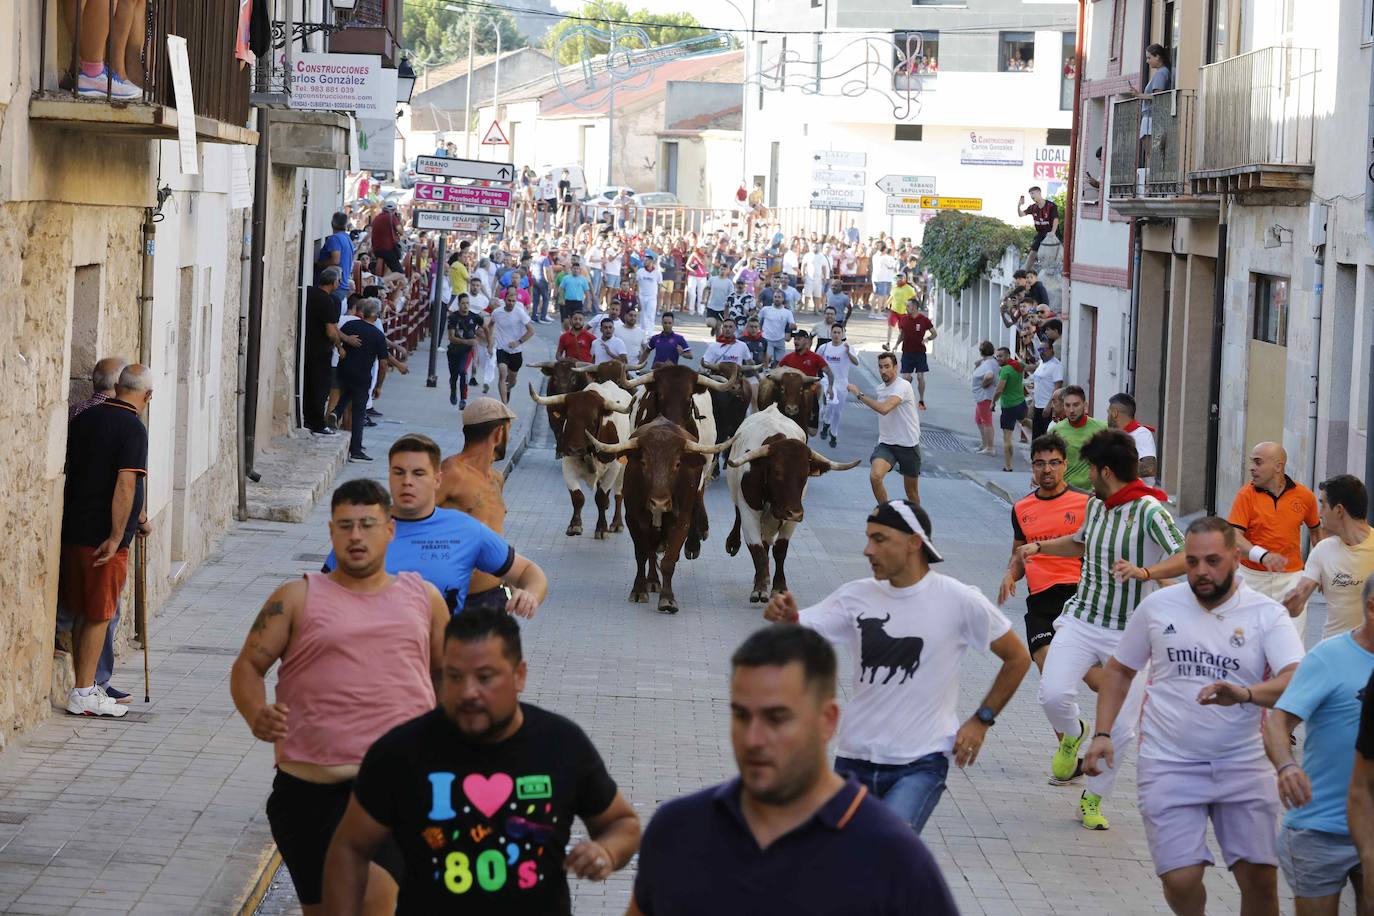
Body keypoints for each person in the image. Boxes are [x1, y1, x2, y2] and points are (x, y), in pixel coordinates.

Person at [322, 608, 641, 915]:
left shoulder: (562, 745)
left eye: (485, 677)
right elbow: (350, 846)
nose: (468, 692)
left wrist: (606, 852)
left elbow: (622, 823)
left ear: (519, 676)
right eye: (454, 677)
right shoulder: (400, 752)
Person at [230, 479, 450, 916]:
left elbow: (448, 675)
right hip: (309, 795)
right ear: (331, 531)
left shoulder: (424, 598)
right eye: (345, 525)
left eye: (367, 524)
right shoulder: (296, 598)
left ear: (389, 530)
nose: (355, 536)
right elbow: (247, 668)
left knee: (375, 901)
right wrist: (256, 712)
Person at [629, 625, 960, 914]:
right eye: (742, 716)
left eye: (777, 719)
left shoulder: (893, 857)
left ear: (827, 721)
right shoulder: (677, 830)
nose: (753, 739)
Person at [763, 501, 1031, 833]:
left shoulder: (960, 599)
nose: (867, 550)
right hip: (854, 759)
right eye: (868, 538)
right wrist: (785, 616)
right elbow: (798, 627)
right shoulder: (855, 597)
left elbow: (1018, 658)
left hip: (921, 763)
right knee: (850, 863)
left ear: (913, 542)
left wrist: (981, 720)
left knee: (886, 846)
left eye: (879, 539)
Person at [1082, 517, 1303, 916]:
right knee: (1180, 879)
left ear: (1236, 558)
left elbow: (1296, 677)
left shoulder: (1265, 614)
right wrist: (1102, 733)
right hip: (1169, 762)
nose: (1202, 571)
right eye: (1192, 562)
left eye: (1213, 561)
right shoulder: (1157, 606)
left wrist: (1247, 694)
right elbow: (1118, 670)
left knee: (1259, 877)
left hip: (1244, 764)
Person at [1020, 429, 1185, 830]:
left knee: (1123, 728)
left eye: (1091, 468)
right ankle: (1075, 731)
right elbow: (1079, 545)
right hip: (1080, 619)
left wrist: (1146, 572)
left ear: (1105, 470)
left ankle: (1092, 797)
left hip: (1127, 635)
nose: (1087, 475)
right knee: (1053, 694)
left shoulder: (1150, 511)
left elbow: (1185, 555)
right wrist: (1040, 547)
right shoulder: (1096, 506)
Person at [326, 434, 547, 616]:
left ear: (437, 480)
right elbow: (321, 593)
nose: (407, 482)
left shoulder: (466, 530)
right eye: (399, 472)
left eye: (418, 473)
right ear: (390, 476)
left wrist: (530, 595)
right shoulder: (360, 531)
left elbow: (529, 571)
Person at [1265, 575, 1374, 916]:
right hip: (1319, 827)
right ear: (1371, 608)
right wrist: (1286, 766)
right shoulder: (1330, 657)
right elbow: (1278, 721)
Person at [999, 433, 1097, 773]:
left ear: (1065, 465)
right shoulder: (1021, 509)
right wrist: (1010, 574)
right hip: (1040, 603)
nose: (1047, 470)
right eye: (1040, 463)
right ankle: (1068, 751)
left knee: (1095, 680)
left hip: (1078, 597)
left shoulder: (1086, 504)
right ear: (1033, 466)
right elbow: (1018, 556)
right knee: (1051, 680)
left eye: (1054, 463)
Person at [60, 363, 153, 718]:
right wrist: (117, 537)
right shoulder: (133, 427)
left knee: (86, 610)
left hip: (74, 528)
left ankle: (87, 685)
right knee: (100, 613)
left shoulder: (85, 418)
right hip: (102, 537)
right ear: (147, 395)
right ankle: (83, 691)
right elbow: (126, 483)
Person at [1227, 441, 1323, 638]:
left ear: (1278, 466)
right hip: (1251, 578)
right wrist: (1262, 556)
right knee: (1246, 639)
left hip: (1291, 579)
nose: (1252, 468)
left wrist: (1320, 570)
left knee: (1291, 639)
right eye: (1252, 462)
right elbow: (1234, 536)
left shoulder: (1305, 496)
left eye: (1258, 462)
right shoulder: (1245, 495)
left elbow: (1316, 533)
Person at [438, 400, 519, 613]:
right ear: (499, 433)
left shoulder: (496, 479)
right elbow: (408, 520)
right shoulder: (451, 473)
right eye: (508, 430)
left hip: (494, 597)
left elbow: (494, 535)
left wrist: (510, 580)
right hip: (454, 601)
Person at [1283, 475, 1374, 639]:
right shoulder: (1322, 550)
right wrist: (1291, 601)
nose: (1319, 514)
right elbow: (1296, 605)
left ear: (1339, 510)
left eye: (1323, 506)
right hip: (1333, 652)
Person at [849, 351, 922, 505]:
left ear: (896, 367)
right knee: (875, 477)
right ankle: (887, 512)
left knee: (912, 493)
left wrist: (859, 394)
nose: (883, 371)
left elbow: (884, 409)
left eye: (887, 366)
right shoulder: (880, 389)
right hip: (887, 444)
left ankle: (918, 524)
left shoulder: (903, 386)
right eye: (881, 367)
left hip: (908, 445)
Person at [335, 299, 390, 462]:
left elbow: (336, 334)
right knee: (359, 413)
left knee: (347, 394)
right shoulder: (377, 335)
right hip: (362, 375)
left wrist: (341, 348)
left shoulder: (350, 326)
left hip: (343, 370)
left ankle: (335, 412)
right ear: (376, 314)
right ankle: (356, 449)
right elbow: (383, 363)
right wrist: (379, 386)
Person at [304, 267, 357, 435]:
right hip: (320, 350)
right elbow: (331, 330)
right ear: (334, 283)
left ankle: (307, 418)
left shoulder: (309, 293)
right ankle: (318, 424)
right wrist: (340, 347)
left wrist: (346, 339)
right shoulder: (328, 301)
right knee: (320, 387)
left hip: (306, 347)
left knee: (308, 385)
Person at [1047, 385, 1108, 490]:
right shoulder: (1055, 431)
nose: (1071, 410)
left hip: (1093, 494)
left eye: (1076, 405)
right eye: (1067, 405)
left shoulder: (1103, 428)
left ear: (1085, 405)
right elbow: (1049, 462)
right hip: (1065, 492)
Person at [490, 289, 535, 405]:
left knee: (512, 380)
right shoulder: (497, 312)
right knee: (502, 373)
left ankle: (508, 388)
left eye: (513, 301)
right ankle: (504, 405)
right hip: (502, 348)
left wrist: (518, 342)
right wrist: (490, 343)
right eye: (509, 300)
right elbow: (490, 325)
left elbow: (531, 331)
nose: (511, 303)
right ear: (504, 300)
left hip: (516, 351)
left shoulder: (520, 313)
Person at [816, 324, 857, 448]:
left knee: (838, 412)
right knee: (831, 402)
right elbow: (816, 361)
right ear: (831, 333)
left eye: (839, 332)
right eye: (834, 332)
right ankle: (826, 423)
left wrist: (848, 352)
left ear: (843, 334)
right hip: (827, 381)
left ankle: (833, 434)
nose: (836, 335)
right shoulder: (824, 348)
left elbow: (856, 362)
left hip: (842, 382)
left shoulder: (848, 347)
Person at [1107, 392, 1158, 486]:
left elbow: (1149, 468)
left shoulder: (1141, 433)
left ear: (1114, 413)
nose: (1107, 417)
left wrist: (1113, 472)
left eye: (1108, 412)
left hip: (1140, 498)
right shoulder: (1115, 437)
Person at [893, 304, 936, 409]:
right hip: (907, 352)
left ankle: (921, 400)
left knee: (920, 377)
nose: (906, 308)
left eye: (908, 306)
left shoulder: (924, 320)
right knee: (906, 378)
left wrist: (927, 339)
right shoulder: (903, 320)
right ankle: (905, 397)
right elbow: (902, 334)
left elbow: (934, 333)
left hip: (919, 353)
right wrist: (896, 345)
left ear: (914, 307)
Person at [446, 293, 484, 409]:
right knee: (454, 376)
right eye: (463, 303)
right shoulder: (453, 317)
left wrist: (488, 342)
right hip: (453, 350)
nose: (465, 306)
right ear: (458, 304)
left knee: (462, 371)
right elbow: (451, 337)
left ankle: (463, 398)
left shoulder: (474, 317)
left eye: (467, 303)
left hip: (467, 351)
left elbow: (486, 327)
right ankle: (453, 390)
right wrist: (466, 342)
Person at [993, 346, 1028, 473]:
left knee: (1007, 438)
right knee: (1024, 422)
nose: (998, 358)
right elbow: (1030, 368)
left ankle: (1008, 466)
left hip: (1008, 406)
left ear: (1007, 356)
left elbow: (999, 389)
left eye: (1001, 356)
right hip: (1021, 403)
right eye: (997, 356)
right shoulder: (1018, 365)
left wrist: (993, 403)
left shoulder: (1005, 370)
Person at [318, 211, 356, 308]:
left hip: (333, 287)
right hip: (342, 285)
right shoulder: (347, 239)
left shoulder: (335, 239)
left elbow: (335, 260)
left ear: (332, 223)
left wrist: (319, 264)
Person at [1017, 186, 1059, 269]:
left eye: (1033, 193)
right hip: (1041, 234)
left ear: (1039, 193)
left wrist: (1053, 233)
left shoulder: (1051, 206)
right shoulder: (1032, 207)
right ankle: (1024, 273)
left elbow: (1055, 219)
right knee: (1032, 253)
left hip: (1051, 234)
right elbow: (1021, 215)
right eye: (1030, 195)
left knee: (1051, 256)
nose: (1032, 196)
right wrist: (1019, 205)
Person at [1029, 345, 1064, 439]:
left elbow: (1058, 386)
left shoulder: (1056, 365)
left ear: (1051, 350)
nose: (1041, 352)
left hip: (1047, 407)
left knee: (1045, 438)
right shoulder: (1041, 363)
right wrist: (1033, 402)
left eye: (1044, 349)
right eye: (1039, 349)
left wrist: (1049, 405)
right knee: (1036, 436)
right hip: (1037, 405)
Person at [971, 341, 999, 455]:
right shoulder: (990, 361)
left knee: (986, 421)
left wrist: (984, 384)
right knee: (978, 419)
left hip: (985, 396)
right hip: (982, 397)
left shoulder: (988, 364)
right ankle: (985, 444)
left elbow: (989, 375)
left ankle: (990, 447)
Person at [758, 291, 796, 367]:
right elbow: (757, 320)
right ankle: (766, 375)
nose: (777, 299)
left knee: (780, 363)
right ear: (773, 298)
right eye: (775, 297)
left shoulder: (787, 312)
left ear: (783, 299)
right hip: (767, 339)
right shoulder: (765, 309)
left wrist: (793, 326)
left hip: (780, 340)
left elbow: (793, 325)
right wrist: (759, 332)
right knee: (767, 360)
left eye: (779, 297)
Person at [884, 272, 916, 350]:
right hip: (894, 310)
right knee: (890, 326)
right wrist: (886, 304)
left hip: (904, 312)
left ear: (904, 279)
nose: (899, 280)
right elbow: (892, 297)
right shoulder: (895, 288)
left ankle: (899, 345)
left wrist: (912, 308)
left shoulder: (909, 288)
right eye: (898, 278)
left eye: (901, 278)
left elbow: (914, 298)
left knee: (902, 331)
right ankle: (887, 344)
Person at [369, 202, 403, 275]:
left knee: (388, 269)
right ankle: (383, 281)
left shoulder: (377, 218)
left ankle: (385, 282)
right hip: (388, 248)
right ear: (394, 210)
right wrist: (399, 220)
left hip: (377, 249)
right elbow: (400, 231)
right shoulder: (392, 217)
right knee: (400, 273)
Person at [636, 254, 664, 329]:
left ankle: (650, 335)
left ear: (651, 261)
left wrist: (659, 300)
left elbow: (660, 287)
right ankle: (642, 334)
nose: (644, 262)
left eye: (646, 260)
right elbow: (636, 284)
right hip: (642, 296)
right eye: (644, 260)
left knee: (650, 316)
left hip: (652, 297)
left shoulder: (657, 273)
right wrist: (637, 297)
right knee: (642, 317)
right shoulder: (640, 271)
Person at [704, 262, 733, 332]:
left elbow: (731, 295)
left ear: (727, 271)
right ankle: (713, 327)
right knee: (709, 323)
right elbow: (706, 289)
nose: (722, 271)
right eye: (721, 269)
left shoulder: (729, 282)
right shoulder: (712, 279)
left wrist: (730, 305)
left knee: (719, 327)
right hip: (711, 305)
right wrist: (704, 299)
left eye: (724, 269)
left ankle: (718, 342)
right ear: (719, 269)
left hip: (722, 307)